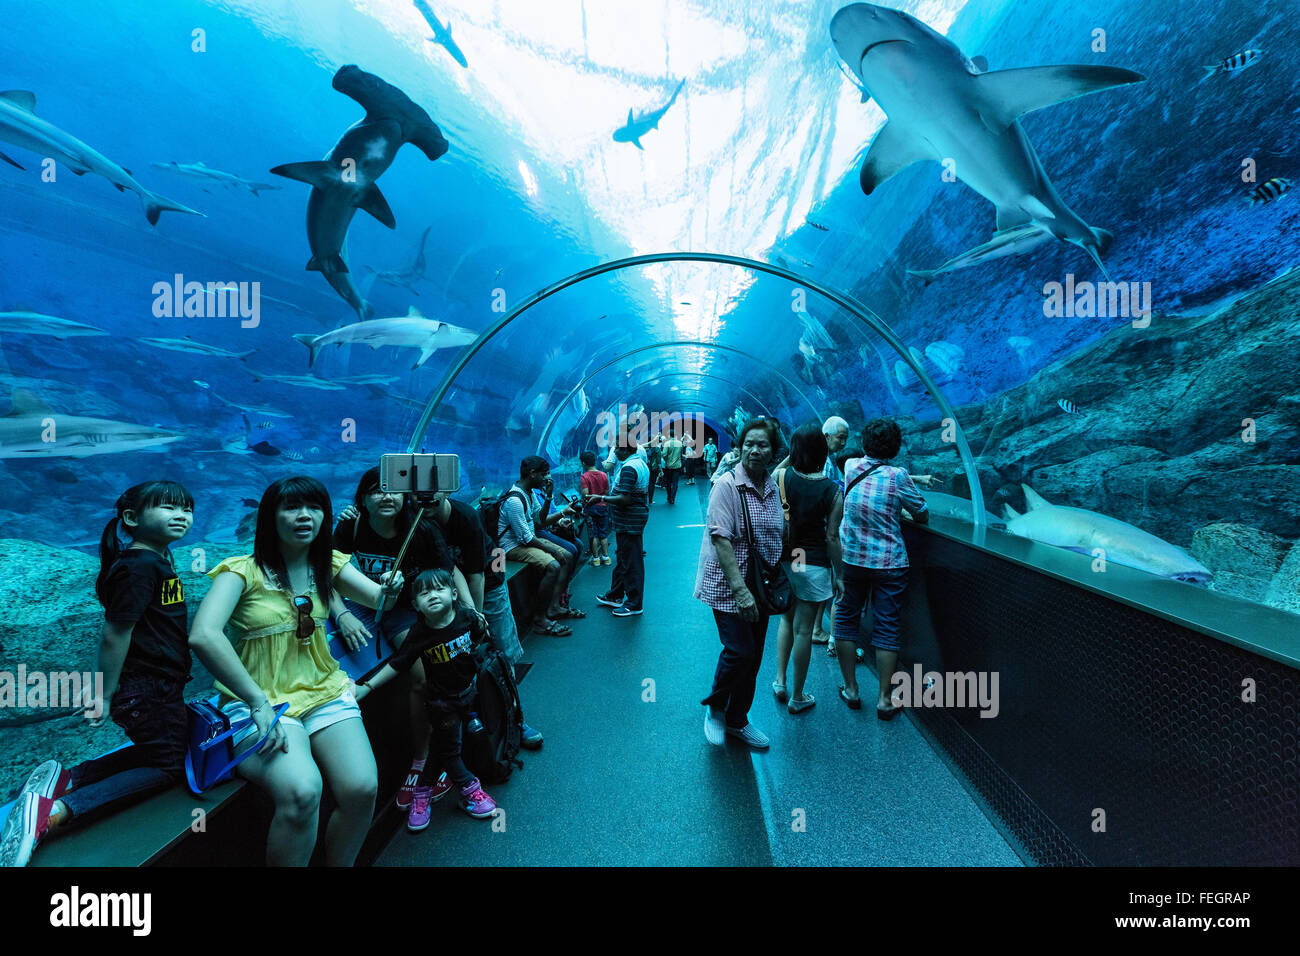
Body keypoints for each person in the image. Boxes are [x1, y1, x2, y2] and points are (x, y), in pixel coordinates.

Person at [2, 482, 224, 867]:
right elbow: (114, 634)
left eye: (187, 509)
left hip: (157, 685)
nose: (181, 516)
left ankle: (70, 778)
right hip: (147, 687)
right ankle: (55, 813)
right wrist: (102, 694)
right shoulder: (138, 568)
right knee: (168, 766)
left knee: (165, 749)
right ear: (131, 518)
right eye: (167, 507)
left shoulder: (151, 561)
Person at [190, 476, 404, 866]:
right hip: (262, 699)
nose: (304, 516)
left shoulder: (329, 565)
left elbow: (378, 598)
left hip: (323, 689)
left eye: (315, 507)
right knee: (302, 791)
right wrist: (256, 701)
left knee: (362, 788)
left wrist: (392, 585)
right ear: (270, 517)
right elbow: (203, 635)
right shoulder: (240, 571)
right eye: (291, 507)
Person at [331, 467, 477, 819]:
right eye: (376, 491)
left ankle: (423, 759)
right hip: (359, 609)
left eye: (392, 490)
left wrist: (471, 611)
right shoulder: (351, 526)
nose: (386, 497)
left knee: (420, 677)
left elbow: (447, 574)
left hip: (407, 612)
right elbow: (327, 573)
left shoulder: (421, 530)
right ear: (361, 499)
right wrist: (341, 615)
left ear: (404, 496)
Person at [355, 569, 498, 826]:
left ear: (454, 594)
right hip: (441, 704)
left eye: (439, 589)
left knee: (439, 750)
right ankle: (469, 790)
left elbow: (478, 638)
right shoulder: (419, 633)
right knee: (451, 750)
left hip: (468, 694)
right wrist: (367, 686)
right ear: (415, 605)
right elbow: (398, 664)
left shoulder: (466, 617)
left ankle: (421, 794)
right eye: (424, 592)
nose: (432, 595)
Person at [426, 489, 542, 745]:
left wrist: (474, 620)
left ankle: (516, 720)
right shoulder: (417, 516)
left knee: (503, 649)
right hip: (448, 588)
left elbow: (476, 576)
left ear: (445, 490)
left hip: (488, 581)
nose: (424, 500)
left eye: (432, 493)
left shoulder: (465, 516)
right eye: (415, 494)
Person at [697, 419, 783, 749]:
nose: (753, 450)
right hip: (730, 583)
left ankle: (738, 720)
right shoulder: (727, 485)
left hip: (761, 585)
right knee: (739, 650)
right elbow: (721, 538)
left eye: (762, 444)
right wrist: (740, 590)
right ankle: (716, 709)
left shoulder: (773, 485)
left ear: (774, 452)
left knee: (755, 655)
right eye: (748, 443)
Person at [834, 419, 929, 719]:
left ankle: (851, 689)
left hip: (851, 559)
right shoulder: (898, 476)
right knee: (887, 626)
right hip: (889, 563)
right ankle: (885, 700)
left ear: (863, 444)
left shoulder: (850, 467)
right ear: (897, 447)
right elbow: (922, 513)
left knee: (846, 621)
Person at [771, 425, 844, 714]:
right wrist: (840, 575)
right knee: (804, 630)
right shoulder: (832, 489)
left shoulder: (781, 477)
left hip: (787, 559)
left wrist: (791, 456)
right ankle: (797, 695)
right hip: (813, 563)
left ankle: (779, 680)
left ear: (794, 449)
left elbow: (774, 473)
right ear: (823, 451)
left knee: (786, 622)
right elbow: (832, 537)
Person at [499, 456, 583, 636]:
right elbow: (525, 538)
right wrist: (551, 549)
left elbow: (540, 520)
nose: (547, 478)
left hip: (526, 540)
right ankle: (539, 619)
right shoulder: (514, 500)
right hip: (512, 546)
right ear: (532, 474)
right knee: (553, 565)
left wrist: (549, 496)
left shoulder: (529, 493)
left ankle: (554, 607)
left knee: (567, 556)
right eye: (544, 475)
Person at [593, 440, 649, 617]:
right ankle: (615, 594)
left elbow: (624, 498)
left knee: (632, 562)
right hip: (631, 519)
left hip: (629, 520)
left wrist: (601, 497)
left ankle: (634, 603)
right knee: (624, 557)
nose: (615, 451)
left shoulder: (628, 468)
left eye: (617, 448)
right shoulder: (639, 463)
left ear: (626, 449)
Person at [579, 451, 612, 566]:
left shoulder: (584, 476)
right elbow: (607, 493)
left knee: (593, 534)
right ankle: (606, 557)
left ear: (583, 463)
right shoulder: (603, 475)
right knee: (603, 533)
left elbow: (585, 494)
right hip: (603, 507)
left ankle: (596, 559)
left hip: (591, 509)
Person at [662, 429, 685, 504]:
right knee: (675, 483)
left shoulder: (667, 443)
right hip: (677, 466)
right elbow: (681, 454)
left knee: (668, 482)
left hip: (668, 466)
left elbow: (664, 454)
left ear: (669, 435)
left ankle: (669, 497)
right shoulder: (680, 443)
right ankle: (672, 498)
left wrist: (666, 461)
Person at [646, 434, 664, 505]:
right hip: (654, 469)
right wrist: (661, 471)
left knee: (646, 483)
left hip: (646, 468)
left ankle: (644, 499)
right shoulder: (657, 449)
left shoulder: (646, 448)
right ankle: (650, 500)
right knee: (652, 484)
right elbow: (658, 462)